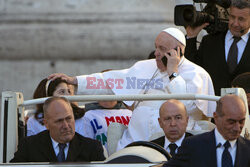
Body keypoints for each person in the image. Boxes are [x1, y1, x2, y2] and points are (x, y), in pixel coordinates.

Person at [48, 27, 216, 150]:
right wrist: (75, 81)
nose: (156, 53)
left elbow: (186, 105)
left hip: (174, 143)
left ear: (178, 51)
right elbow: (110, 82)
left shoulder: (196, 73)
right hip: (135, 140)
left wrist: (173, 73)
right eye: (156, 47)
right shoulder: (145, 67)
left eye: (162, 49)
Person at [10, 97, 105, 162]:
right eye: (59, 121)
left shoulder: (92, 148)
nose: (66, 125)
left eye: (69, 118)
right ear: (46, 123)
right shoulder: (29, 146)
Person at [164, 94, 250, 167]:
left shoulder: (247, 149)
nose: (237, 128)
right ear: (216, 117)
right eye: (231, 122)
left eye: (241, 122)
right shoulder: (193, 146)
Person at [185, 0, 250, 95]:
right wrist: (191, 37)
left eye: (241, 19)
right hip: (214, 105)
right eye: (232, 17)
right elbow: (191, 70)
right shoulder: (209, 42)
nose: (235, 23)